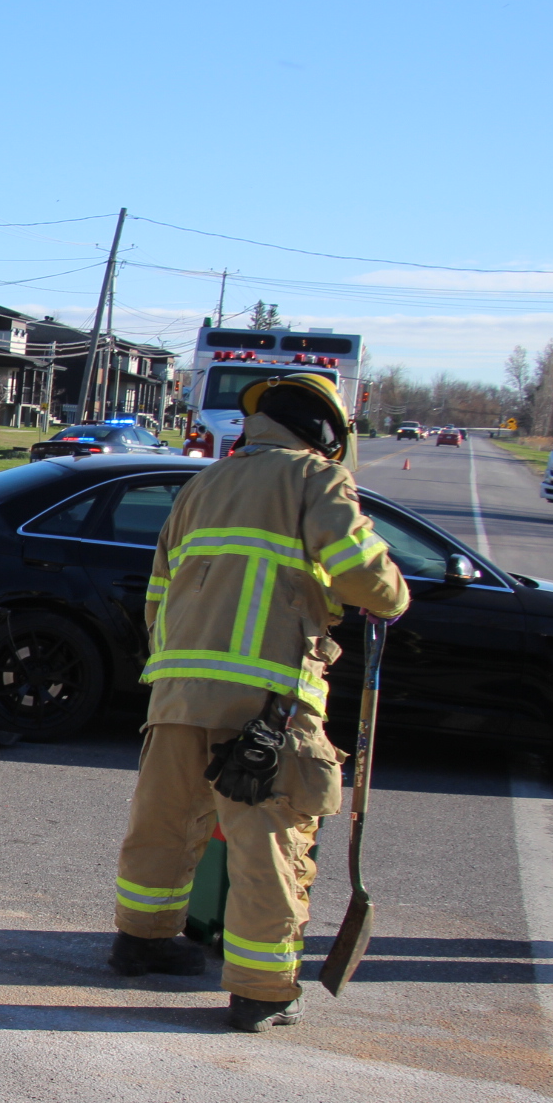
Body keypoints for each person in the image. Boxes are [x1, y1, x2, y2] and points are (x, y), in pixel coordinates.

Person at [110, 372, 409, 1033]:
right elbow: (364, 574)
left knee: (164, 821)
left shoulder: (204, 483)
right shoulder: (316, 479)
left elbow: (159, 590)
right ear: (326, 433)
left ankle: (141, 940)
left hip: (178, 688)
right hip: (266, 700)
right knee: (267, 838)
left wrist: (179, 666)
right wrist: (393, 595)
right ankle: (262, 989)